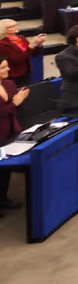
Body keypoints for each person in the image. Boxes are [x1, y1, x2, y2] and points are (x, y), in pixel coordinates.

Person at [0, 56, 28, 213]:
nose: (8, 70)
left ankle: (3, 199)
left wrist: (21, 99)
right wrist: (14, 103)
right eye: (3, 67)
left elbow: (18, 106)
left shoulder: (9, 83)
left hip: (10, 132)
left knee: (4, 171)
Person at [0, 20, 45, 87]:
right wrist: (32, 44)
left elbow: (32, 54)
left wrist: (39, 44)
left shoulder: (21, 38)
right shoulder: (2, 44)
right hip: (13, 75)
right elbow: (16, 59)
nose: (15, 27)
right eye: (11, 27)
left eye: (15, 25)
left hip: (26, 71)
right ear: (3, 30)